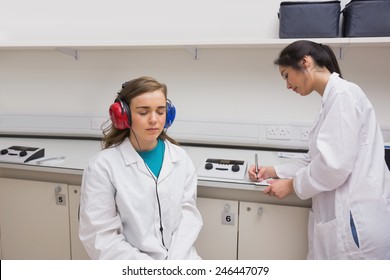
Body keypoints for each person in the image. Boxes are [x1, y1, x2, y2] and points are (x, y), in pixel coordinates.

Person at [248, 40, 390, 259]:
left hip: (355, 224)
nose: (287, 85)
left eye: (286, 75)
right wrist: (272, 171)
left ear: (305, 62)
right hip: (346, 222)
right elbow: (317, 160)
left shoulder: (342, 95)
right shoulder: (332, 99)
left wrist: (292, 185)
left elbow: (334, 166)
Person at [79, 76, 203, 260]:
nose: (154, 120)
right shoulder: (102, 167)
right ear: (124, 116)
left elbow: (188, 215)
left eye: (160, 112)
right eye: (144, 112)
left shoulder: (180, 158)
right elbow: (100, 238)